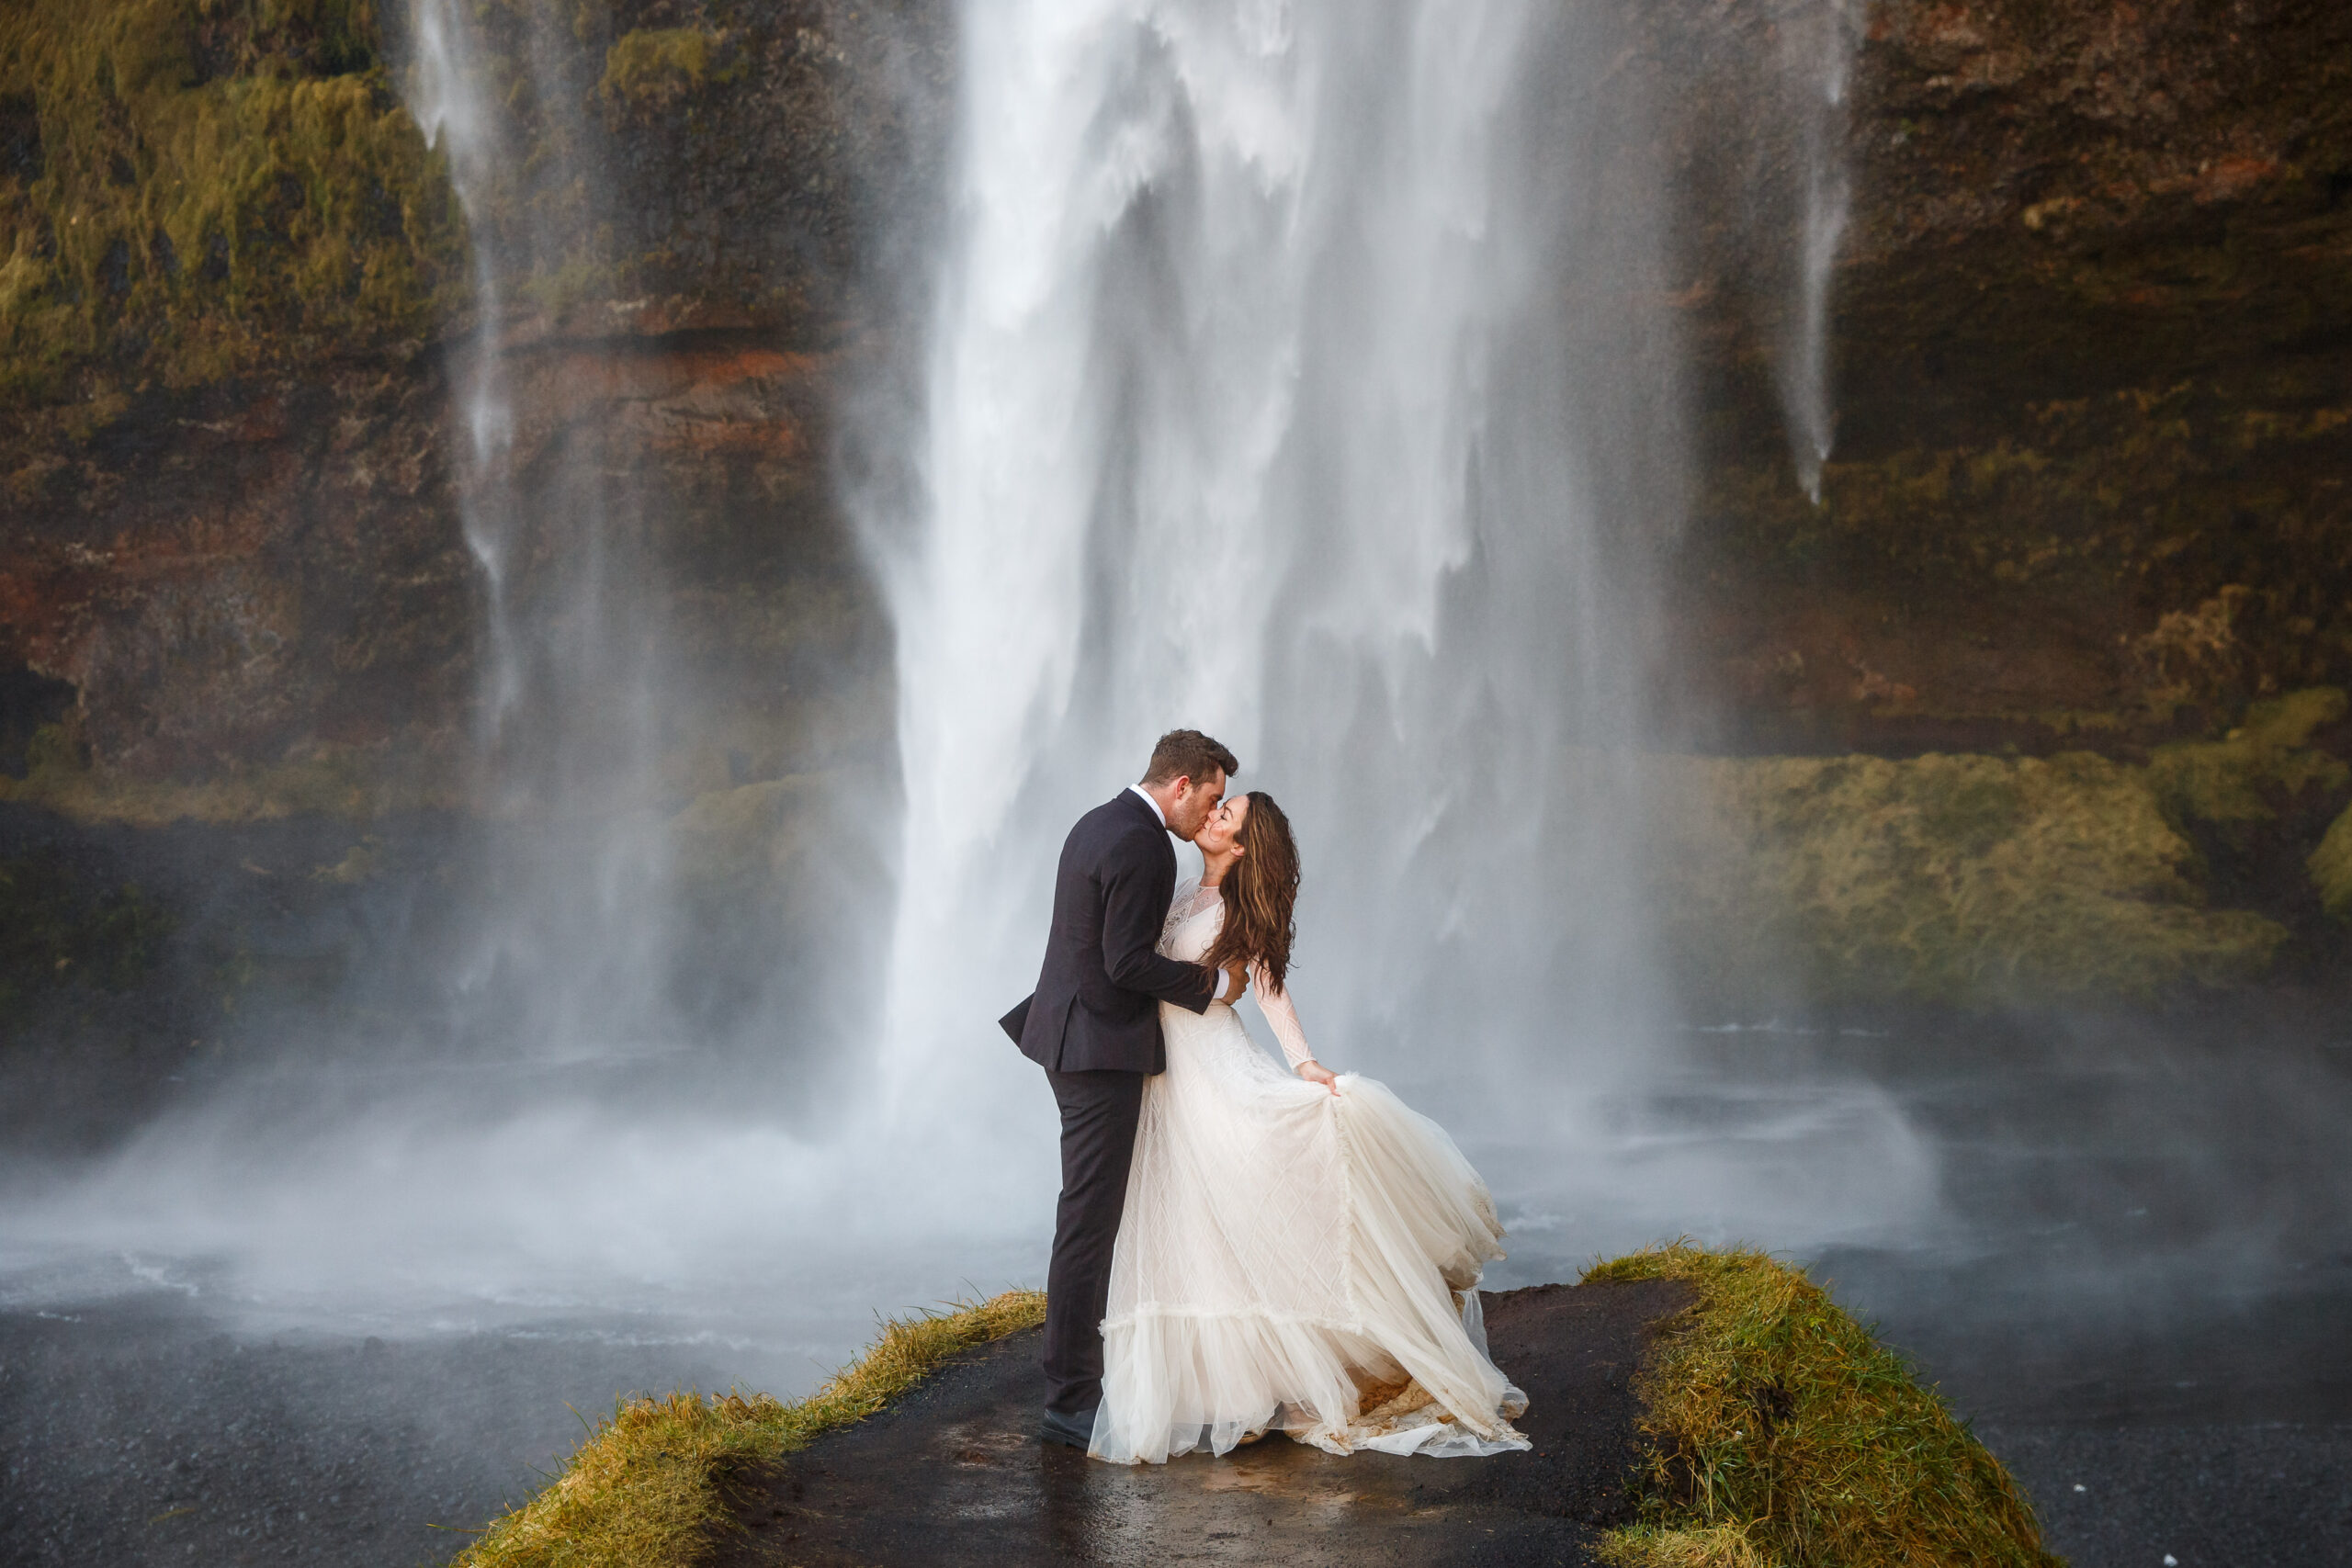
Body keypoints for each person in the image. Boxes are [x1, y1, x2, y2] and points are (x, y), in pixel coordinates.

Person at [1087, 787, 1528, 1463]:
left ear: (1240, 847)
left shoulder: (1241, 908)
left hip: (1216, 1069)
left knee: (1250, 1211)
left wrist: (1305, 1061)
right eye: (1214, 806)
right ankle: (1241, 1391)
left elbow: (1267, 987)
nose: (1211, 814)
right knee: (1198, 1226)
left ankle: (1309, 1373)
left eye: (1225, 814)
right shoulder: (1182, 891)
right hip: (1170, 1078)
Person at [1001, 728, 1247, 1449]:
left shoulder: (1098, 820)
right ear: (1181, 785)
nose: (1213, 811)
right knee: (1089, 1221)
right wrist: (1216, 986)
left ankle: (1076, 1380)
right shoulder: (1144, 843)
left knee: (1087, 1213)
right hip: (1098, 1049)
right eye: (1212, 795)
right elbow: (1126, 963)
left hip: (1069, 1036)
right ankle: (1071, 1396)